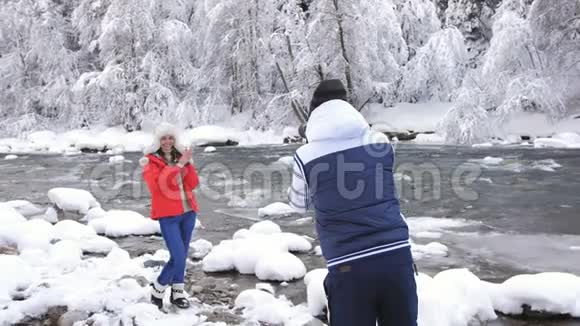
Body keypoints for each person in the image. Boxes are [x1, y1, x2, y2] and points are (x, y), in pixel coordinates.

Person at [289, 79, 418, 325]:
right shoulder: (381, 142)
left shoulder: (305, 156)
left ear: (314, 114)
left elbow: (298, 203)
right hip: (397, 256)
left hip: (348, 265)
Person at [140, 122, 200, 310]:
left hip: (188, 212)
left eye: (170, 137)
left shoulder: (179, 156)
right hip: (168, 215)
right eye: (163, 138)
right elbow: (159, 186)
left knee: (181, 255)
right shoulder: (150, 161)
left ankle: (177, 293)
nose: (167, 141)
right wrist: (180, 164)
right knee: (179, 256)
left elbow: (193, 184)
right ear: (158, 141)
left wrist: (188, 164)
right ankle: (158, 289)